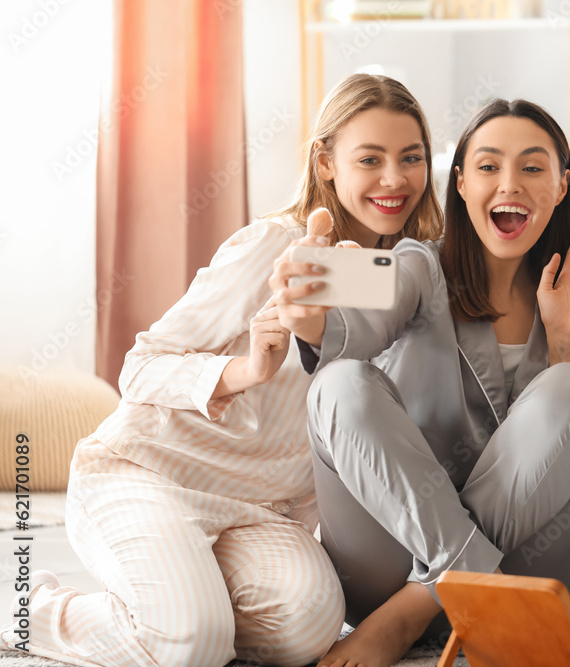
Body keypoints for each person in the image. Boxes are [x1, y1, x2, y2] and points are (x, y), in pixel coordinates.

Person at [2, 73, 443, 667]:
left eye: (411, 157)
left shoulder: (414, 279)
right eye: (371, 158)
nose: (395, 179)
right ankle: (33, 615)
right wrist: (244, 371)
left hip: (261, 511)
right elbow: (140, 366)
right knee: (192, 644)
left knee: (310, 627)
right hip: (150, 473)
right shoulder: (275, 248)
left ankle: (174, 605)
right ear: (326, 162)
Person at [270, 98, 570, 667]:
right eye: (487, 166)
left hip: (524, 574)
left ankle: (417, 607)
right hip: (388, 556)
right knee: (339, 383)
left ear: (561, 187)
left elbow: (563, 445)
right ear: (458, 184)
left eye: (532, 168)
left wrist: (567, 339)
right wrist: (310, 304)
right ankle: (442, 586)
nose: (510, 184)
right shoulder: (416, 265)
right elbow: (355, 306)